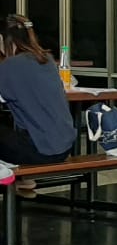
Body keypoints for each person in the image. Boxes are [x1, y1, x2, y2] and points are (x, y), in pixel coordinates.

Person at [0, 14, 76, 185]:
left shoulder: (10, 66)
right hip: (64, 147)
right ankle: (19, 179)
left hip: (39, 151)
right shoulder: (46, 60)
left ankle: (11, 176)